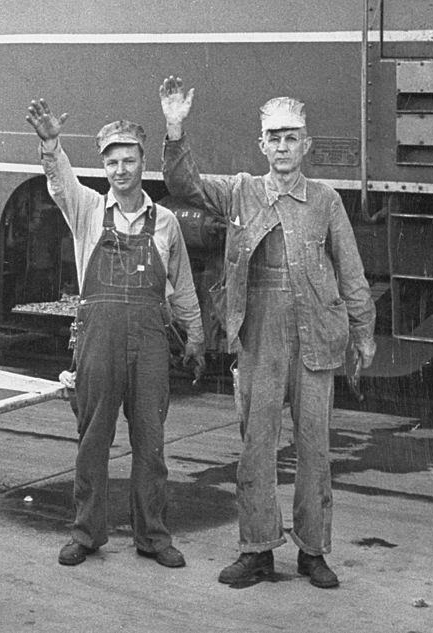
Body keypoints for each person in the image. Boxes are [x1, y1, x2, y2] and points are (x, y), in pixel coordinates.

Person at [159, 77, 375, 589]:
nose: (282, 145)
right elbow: (183, 184)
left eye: (291, 136)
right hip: (260, 336)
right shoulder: (241, 192)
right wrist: (174, 125)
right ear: (261, 144)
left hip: (317, 335)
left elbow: (352, 272)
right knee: (256, 445)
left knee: (315, 448)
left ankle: (313, 552)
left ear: (306, 145)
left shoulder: (326, 200)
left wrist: (364, 332)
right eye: (273, 137)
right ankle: (256, 550)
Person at [25, 98, 205, 568]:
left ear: (143, 163)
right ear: (102, 166)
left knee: (151, 442)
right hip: (98, 341)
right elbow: (60, 180)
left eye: (128, 160)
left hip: (149, 344)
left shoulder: (164, 222)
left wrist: (198, 336)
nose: (120, 169)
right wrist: (50, 143)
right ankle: (86, 533)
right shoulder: (85, 208)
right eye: (111, 161)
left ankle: (154, 537)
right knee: (92, 440)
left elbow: (181, 285)